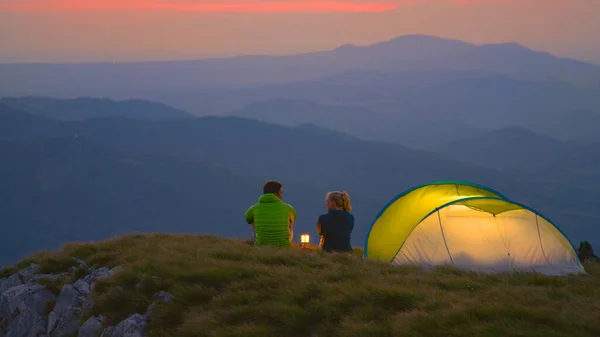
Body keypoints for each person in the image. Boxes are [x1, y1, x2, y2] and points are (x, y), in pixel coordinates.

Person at [244, 180, 297, 248]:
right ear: (275, 194)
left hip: (261, 246)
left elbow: (247, 218)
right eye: (281, 193)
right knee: (290, 220)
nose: (282, 196)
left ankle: (258, 243)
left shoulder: (254, 208)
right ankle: (284, 242)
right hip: (283, 247)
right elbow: (294, 217)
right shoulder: (288, 208)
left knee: (253, 219)